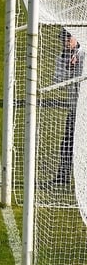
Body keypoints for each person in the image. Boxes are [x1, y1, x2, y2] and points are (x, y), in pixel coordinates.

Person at [49, 29, 85, 187]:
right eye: (63, 39)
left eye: (68, 38)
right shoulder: (62, 58)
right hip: (74, 110)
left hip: (84, 108)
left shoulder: (84, 53)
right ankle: (62, 178)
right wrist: (69, 69)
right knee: (67, 144)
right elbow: (57, 81)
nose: (65, 42)